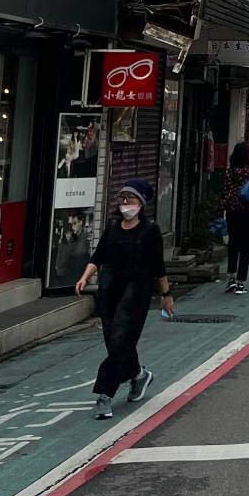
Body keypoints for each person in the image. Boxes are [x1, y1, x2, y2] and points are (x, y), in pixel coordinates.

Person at [75, 180, 173, 420]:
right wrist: (85, 277)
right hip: (109, 289)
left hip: (136, 290)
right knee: (114, 340)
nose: (125, 202)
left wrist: (166, 295)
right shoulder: (112, 228)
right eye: (122, 198)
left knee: (121, 339)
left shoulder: (150, 231)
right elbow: (98, 257)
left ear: (142, 203)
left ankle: (104, 394)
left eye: (131, 198)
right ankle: (139, 375)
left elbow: (158, 267)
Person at [217, 143, 249, 294]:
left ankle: (231, 278)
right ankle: (241, 282)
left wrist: (223, 208)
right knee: (245, 247)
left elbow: (224, 191)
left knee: (233, 244)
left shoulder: (230, 172)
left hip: (233, 212)